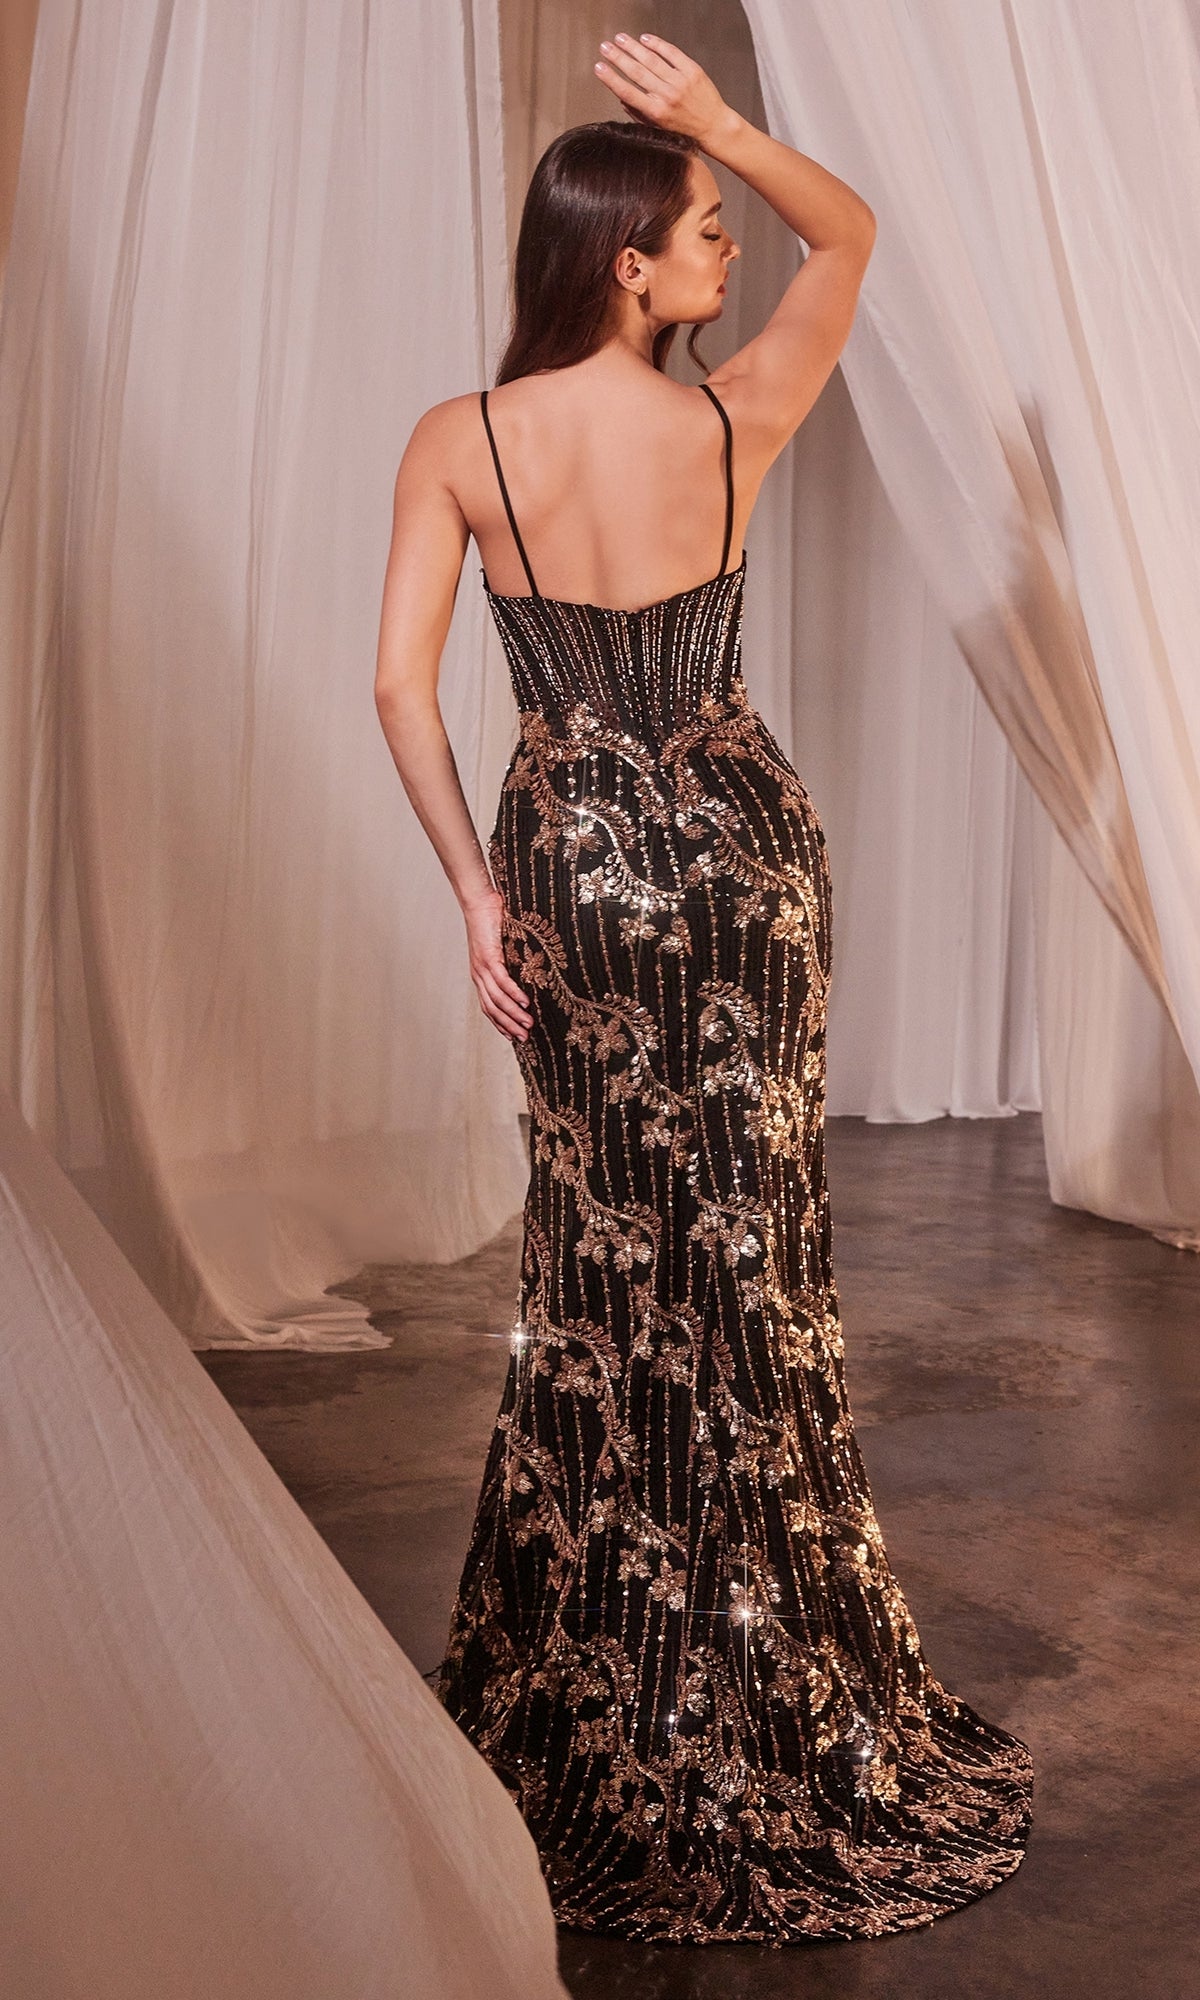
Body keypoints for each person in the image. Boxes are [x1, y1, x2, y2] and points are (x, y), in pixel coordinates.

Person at [373, 30, 1033, 1949]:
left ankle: (605, 1674)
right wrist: (724, 120)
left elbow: (403, 693)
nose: (729, 247)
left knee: (598, 1268)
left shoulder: (460, 439)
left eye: (725, 223)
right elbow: (864, 235)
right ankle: (767, 1659)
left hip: (573, 861)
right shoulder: (738, 415)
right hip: (744, 859)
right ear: (624, 265)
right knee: (752, 1260)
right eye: (699, 229)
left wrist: (480, 898)